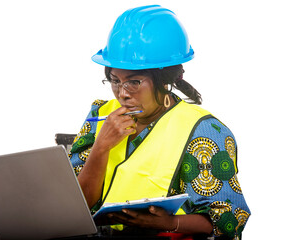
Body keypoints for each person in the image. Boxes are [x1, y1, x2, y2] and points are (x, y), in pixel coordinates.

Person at [69, 5, 250, 240]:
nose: (122, 93)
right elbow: (74, 208)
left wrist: (172, 222)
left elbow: (228, 218)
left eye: (133, 82)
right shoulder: (100, 114)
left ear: (165, 80)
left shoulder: (204, 131)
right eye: (114, 80)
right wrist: (101, 147)